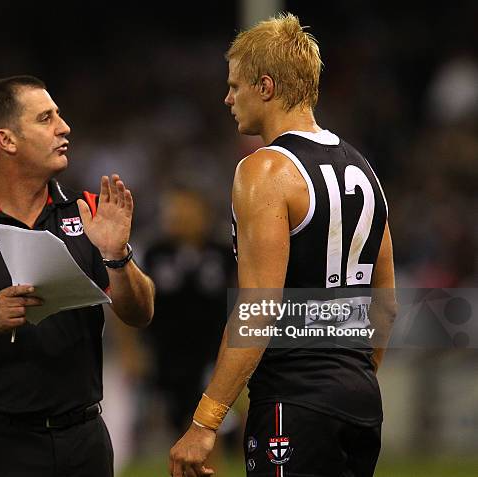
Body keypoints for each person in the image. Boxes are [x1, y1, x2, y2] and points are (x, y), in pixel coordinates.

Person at [169, 13, 396, 477]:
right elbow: (385, 305)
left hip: (293, 398)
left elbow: (260, 307)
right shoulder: (365, 170)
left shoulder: (265, 170)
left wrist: (205, 421)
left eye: (235, 86)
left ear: (266, 87)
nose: (227, 98)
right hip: (360, 398)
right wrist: (351, 378)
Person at [0, 75, 155, 477]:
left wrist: (118, 256)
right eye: (46, 118)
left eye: (58, 115)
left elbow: (141, 312)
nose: (64, 127)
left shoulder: (87, 209)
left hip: (85, 440)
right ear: (7, 141)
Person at [143, 187, 236, 436]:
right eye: (174, 210)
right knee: (177, 420)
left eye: (187, 209)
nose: (179, 216)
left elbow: (242, 297)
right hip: (168, 352)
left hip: (214, 350)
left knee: (212, 421)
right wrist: (133, 349)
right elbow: (134, 299)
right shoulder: (155, 253)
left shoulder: (223, 252)